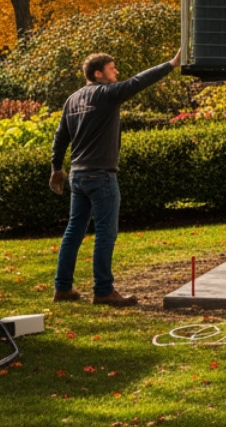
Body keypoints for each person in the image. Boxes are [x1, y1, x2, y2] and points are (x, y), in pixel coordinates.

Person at [48, 48, 181, 306]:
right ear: (98, 74)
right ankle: (103, 291)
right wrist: (170, 64)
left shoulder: (72, 100)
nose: (116, 72)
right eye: (112, 68)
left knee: (74, 231)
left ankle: (62, 288)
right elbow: (138, 82)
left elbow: (60, 136)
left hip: (78, 175)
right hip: (101, 176)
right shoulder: (106, 94)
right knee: (105, 233)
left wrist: (56, 168)